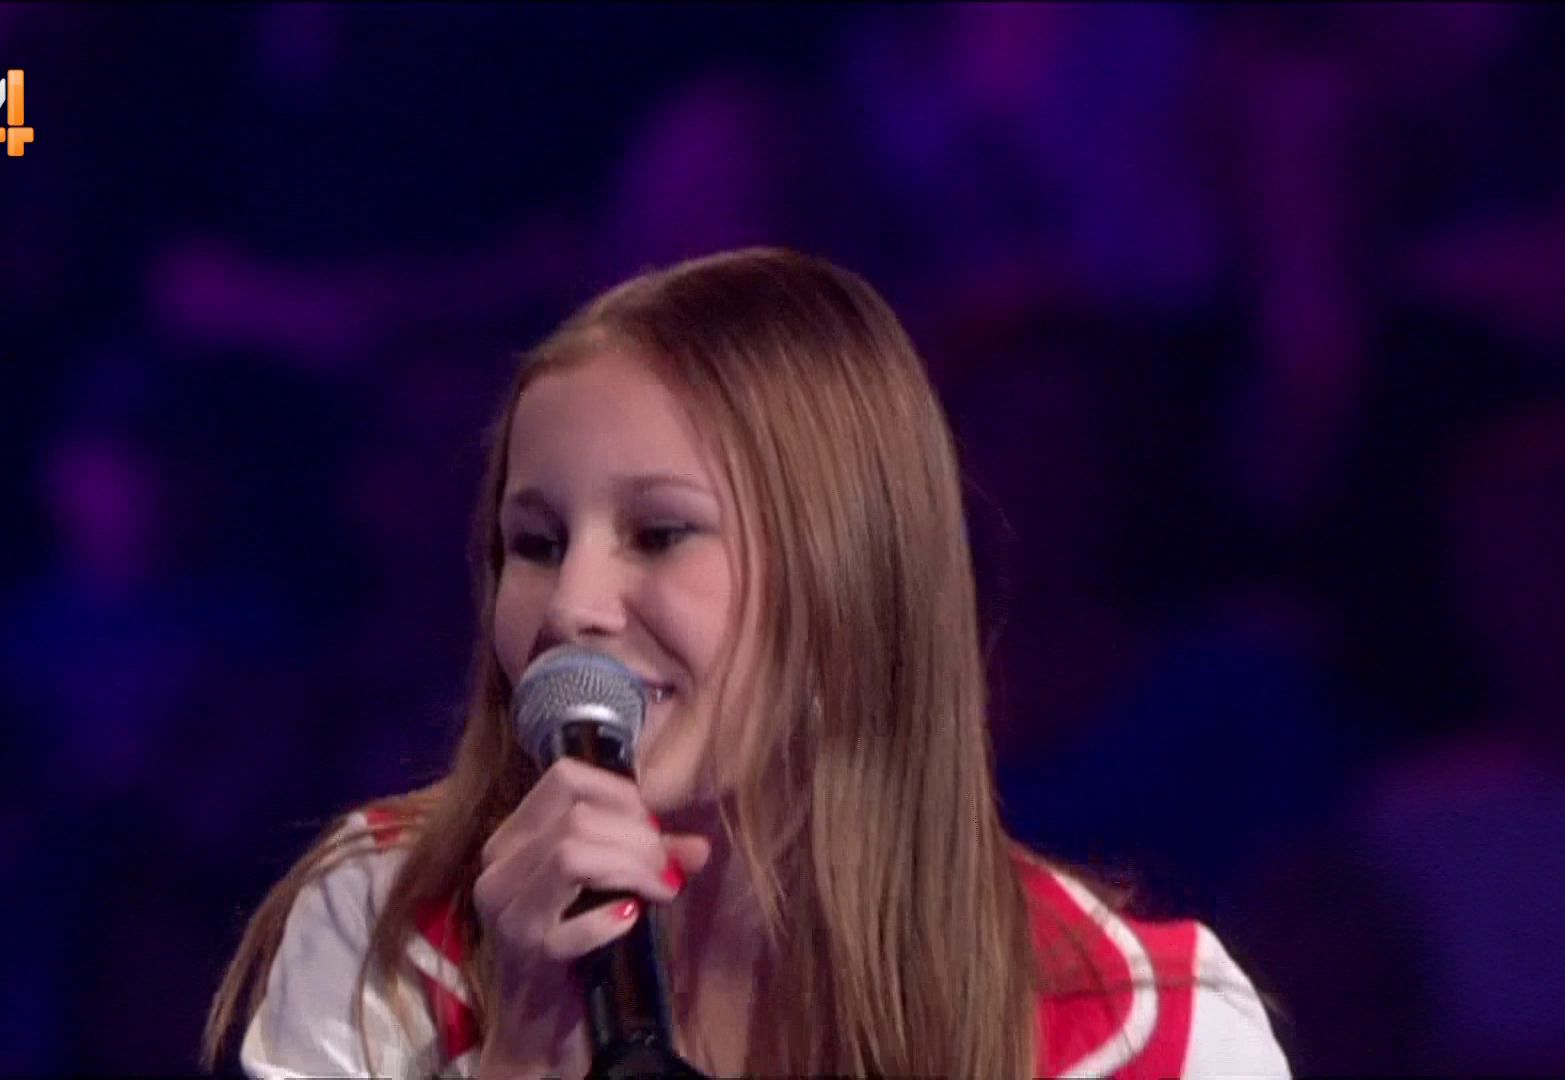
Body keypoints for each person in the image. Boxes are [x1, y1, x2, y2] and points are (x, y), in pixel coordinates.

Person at [201, 248, 1289, 1078]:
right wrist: (525, 1052)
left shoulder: (1149, 1033)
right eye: (534, 543)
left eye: (660, 533)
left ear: (847, 576)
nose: (571, 606)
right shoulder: (388, 929)